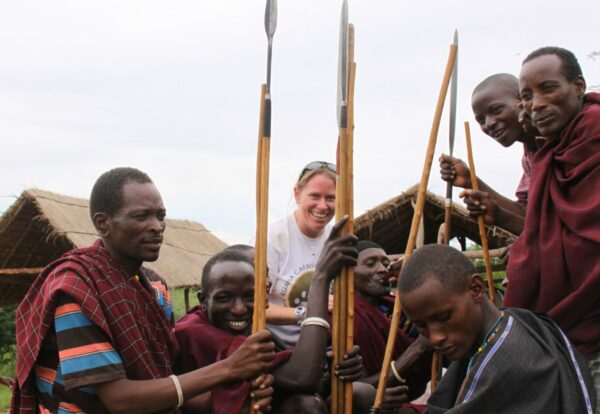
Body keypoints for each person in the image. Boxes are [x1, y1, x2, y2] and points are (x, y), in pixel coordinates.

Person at [11, 167, 276, 413]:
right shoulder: (77, 288)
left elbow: (163, 382)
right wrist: (228, 368)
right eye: (142, 216)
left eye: (161, 216)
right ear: (102, 223)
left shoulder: (157, 288)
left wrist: (238, 399)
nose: (157, 226)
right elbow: (119, 399)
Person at [175, 217, 367, 413]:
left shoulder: (255, 328)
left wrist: (330, 365)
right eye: (225, 297)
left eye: (251, 294)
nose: (239, 308)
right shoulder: (194, 331)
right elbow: (301, 377)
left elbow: (299, 378)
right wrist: (321, 277)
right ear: (203, 300)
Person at [505, 46, 600, 410]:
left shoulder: (593, 134)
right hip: (572, 334)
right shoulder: (549, 152)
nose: (536, 103)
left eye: (548, 88)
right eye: (526, 96)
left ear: (578, 85)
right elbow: (540, 233)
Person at [398, 244, 596, 413]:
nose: (434, 338)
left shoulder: (509, 362)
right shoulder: (509, 324)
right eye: (421, 326)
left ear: (475, 289)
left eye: (443, 317)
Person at [439, 73, 539, 235]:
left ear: (522, 100)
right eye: (481, 120)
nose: (489, 124)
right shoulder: (530, 156)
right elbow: (528, 215)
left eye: (497, 110)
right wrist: (470, 181)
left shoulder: (560, 140)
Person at [352, 241, 431, 413]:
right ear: (349, 272)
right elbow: (354, 389)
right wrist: (417, 348)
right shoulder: (342, 318)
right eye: (370, 263)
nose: (382, 269)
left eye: (386, 263)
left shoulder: (399, 310)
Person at [264, 161, 337, 348]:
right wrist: (308, 313)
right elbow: (254, 307)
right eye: (315, 196)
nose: (322, 206)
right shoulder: (273, 238)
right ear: (297, 194)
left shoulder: (336, 239)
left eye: (330, 198)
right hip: (276, 346)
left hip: (323, 343)